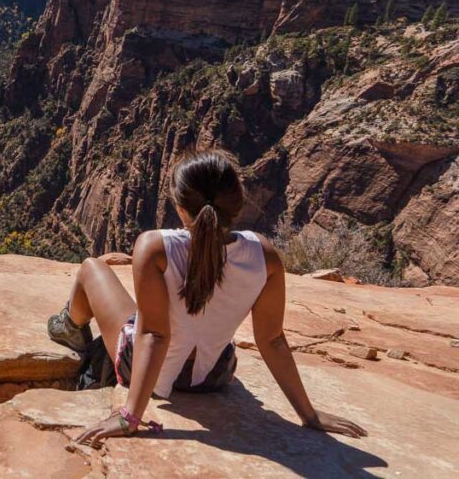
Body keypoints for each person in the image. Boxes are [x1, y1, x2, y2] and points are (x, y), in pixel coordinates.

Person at [46, 149, 368, 445]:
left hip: (150, 373)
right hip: (214, 376)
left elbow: (155, 334)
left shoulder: (154, 247)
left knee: (91, 269)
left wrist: (130, 416)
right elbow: (272, 340)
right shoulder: (264, 256)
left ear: (180, 208)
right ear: (237, 203)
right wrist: (308, 415)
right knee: (147, 315)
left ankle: (70, 326)